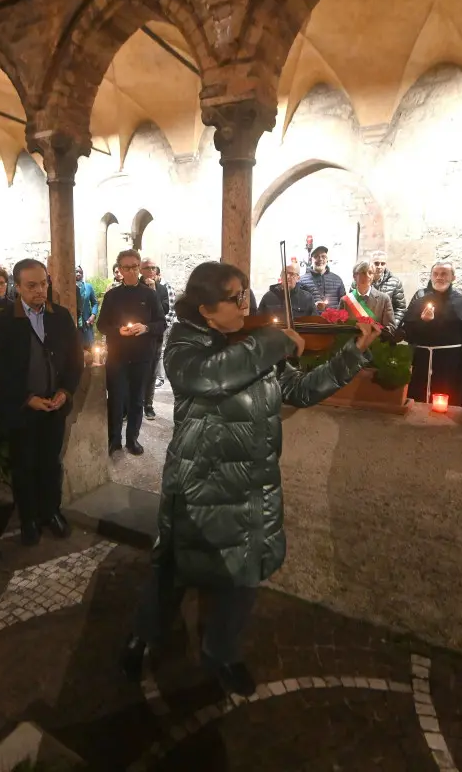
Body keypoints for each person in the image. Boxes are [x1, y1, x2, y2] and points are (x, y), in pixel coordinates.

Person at [121, 261, 380, 695]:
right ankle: (142, 637)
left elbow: (298, 391)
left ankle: (222, 653)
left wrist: (351, 354)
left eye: (246, 293)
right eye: (236, 297)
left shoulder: (252, 344)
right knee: (172, 572)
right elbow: (209, 376)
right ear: (206, 310)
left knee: (241, 581)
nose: (247, 303)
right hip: (199, 483)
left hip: (253, 483)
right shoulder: (184, 343)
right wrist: (272, 341)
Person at [0, 259, 83, 546]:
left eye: (43, 283)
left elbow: (75, 361)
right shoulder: (3, 322)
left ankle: (50, 512)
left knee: (51, 463)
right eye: (31, 285)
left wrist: (65, 390)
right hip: (21, 408)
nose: (40, 290)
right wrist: (26, 398)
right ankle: (28, 518)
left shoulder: (60, 316)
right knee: (24, 465)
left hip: (54, 405)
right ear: (17, 287)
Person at [96, 249, 166, 455]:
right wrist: (117, 331)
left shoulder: (150, 295)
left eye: (135, 267)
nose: (131, 271)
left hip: (142, 356)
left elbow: (161, 323)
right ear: (119, 269)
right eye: (126, 268)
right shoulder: (111, 296)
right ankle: (114, 439)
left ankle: (132, 439)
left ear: (139, 268)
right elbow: (102, 325)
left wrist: (146, 328)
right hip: (117, 356)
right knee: (116, 398)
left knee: (137, 399)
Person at [400, 262, 462, 407]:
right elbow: (407, 332)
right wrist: (422, 322)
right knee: (419, 399)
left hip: (452, 362)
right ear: (431, 277)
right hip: (423, 360)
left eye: (444, 274)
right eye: (436, 274)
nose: (439, 277)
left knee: (451, 399)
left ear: (453, 277)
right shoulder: (418, 303)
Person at [141, 257, 174, 419]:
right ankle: (134, 404)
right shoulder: (136, 288)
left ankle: (148, 404)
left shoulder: (161, 289)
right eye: (147, 268)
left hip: (155, 336)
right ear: (141, 270)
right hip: (138, 338)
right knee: (138, 372)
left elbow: (164, 310)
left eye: (154, 268)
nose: (151, 271)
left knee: (152, 372)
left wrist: (153, 291)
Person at [344, 261, 394, 328]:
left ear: (373, 276)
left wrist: (374, 333)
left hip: (376, 337)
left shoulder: (384, 299)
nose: (367, 276)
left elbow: (391, 327)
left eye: (370, 273)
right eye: (363, 273)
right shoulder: (345, 300)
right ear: (354, 276)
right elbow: (341, 326)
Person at [297, 246, 346, 312]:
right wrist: (313, 306)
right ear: (311, 259)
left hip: (333, 321)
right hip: (312, 321)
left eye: (323, 256)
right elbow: (298, 304)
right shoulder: (302, 281)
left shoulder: (337, 280)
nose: (320, 259)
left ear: (327, 260)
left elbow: (344, 304)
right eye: (316, 256)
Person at [370, 251, 406, 328]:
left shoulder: (395, 282)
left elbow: (400, 308)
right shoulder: (360, 281)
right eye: (376, 263)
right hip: (365, 326)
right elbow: (352, 304)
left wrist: (393, 326)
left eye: (383, 264)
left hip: (385, 328)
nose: (379, 266)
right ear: (370, 263)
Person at [75, 265, 99, 347]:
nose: (78, 274)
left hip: (87, 323)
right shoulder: (69, 289)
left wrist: (93, 315)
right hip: (74, 325)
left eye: (80, 272)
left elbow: (95, 303)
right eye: (76, 272)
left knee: (90, 348)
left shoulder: (88, 287)